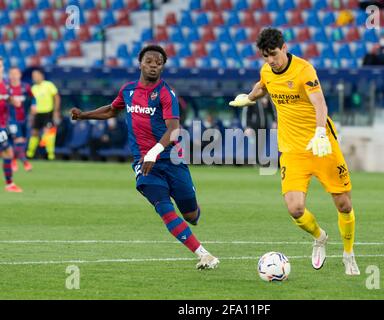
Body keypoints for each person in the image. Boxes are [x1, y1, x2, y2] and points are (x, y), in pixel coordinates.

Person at [70, 45, 219, 270]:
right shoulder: (128, 91)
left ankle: (192, 211)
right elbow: (112, 109)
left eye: (158, 62)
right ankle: (203, 254)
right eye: (149, 61)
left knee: (191, 215)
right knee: (163, 207)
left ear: (162, 67)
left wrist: (154, 151)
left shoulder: (166, 94)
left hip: (172, 159)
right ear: (140, 63)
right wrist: (83, 115)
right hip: (145, 164)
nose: (153, 65)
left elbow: (174, 130)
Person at [229, 28, 360, 276]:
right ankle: (320, 237)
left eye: (274, 54)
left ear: (285, 48)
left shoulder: (304, 70)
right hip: (291, 149)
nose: (270, 60)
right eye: (265, 56)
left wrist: (320, 132)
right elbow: (262, 85)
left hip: (321, 145)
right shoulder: (267, 70)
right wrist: (249, 98)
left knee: (343, 204)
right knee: (295, 208)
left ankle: (348, 253)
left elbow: (320, 103)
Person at [26, 69, 61, 161]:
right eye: (33, 76)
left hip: (48, 112)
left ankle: (50, 155)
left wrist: (56, 111)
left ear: (41, 75)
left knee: (49, 132)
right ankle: (30, 154)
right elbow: (32, 102)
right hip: (37, 114)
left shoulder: (48, 85)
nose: (35, 77)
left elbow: (56, 97)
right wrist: (31, 114)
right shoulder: (33, 88)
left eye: (36, 75)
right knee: (34, 133)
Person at [0, 58, 22, 192]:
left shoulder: (4, 85)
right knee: (8, 152)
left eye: (1, 65)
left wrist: (12, 100)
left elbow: (7, 97)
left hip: (2, 124)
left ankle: (9, 184)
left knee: (8, 152)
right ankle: (9, 184)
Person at [8, 67, 33, 172]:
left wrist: (34, 105)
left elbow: (33, 97)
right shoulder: (6, 87)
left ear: (20, 75)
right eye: (11, 74)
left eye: (15, 73)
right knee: (17, 140)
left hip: (24, 118)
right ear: (9, 75)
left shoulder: (25, 87)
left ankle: (14, 159)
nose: (13, 76)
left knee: (23, 141)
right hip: (11, 119)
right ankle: (25, 162)